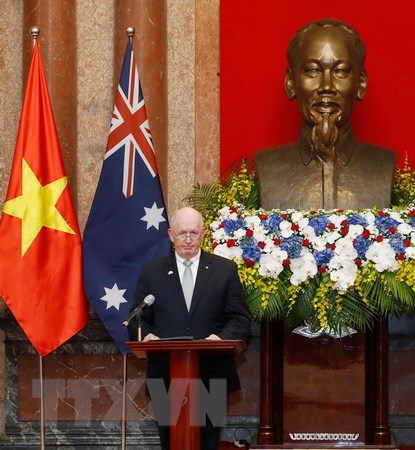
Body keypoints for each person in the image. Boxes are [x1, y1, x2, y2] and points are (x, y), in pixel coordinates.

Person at [129, 206, 252, 450]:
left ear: (203, 233)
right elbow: (137, 318)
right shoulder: (152, 271)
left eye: (193, 233)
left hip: (213, 371)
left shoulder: (224, 270)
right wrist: (147, 335)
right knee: (171, 442)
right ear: (171, 234)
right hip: (166, 372)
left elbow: (240, 319)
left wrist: (220, 338)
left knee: (207, 442)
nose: (187, 240)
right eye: (182, 233)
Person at [254, 18, 397, 211]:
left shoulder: (384, 166)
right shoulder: (267, 167)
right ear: (290, 83)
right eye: (313, 71)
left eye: (340, 71)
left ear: (360, 83)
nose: (327, 87)